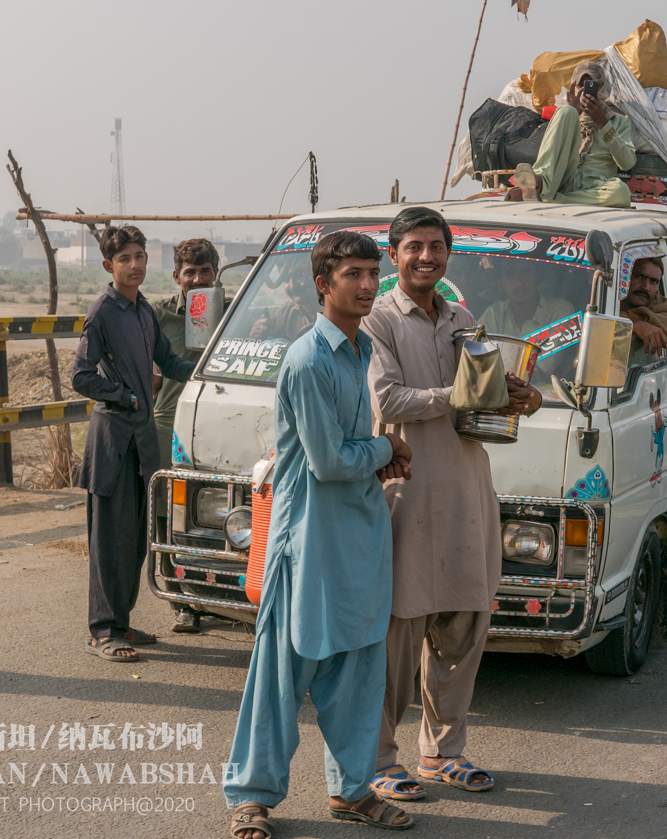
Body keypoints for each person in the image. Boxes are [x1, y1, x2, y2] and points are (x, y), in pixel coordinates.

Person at [223, 231, 415, 838]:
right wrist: (387, 447)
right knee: (283, 678)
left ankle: (353, 792)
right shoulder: (308, 359)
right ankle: (252, 796)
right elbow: (329, 461)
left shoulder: (358, 353)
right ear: (322, 285)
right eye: (353, 274)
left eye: (371, 274)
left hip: (359, 538)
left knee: (359, 672)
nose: (366, 286)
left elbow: (341, 456)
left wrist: (376, 456)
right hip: (308, 545)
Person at [362, 207, 542, 802]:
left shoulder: (463, 319)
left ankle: (443, 752)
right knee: (399, 632)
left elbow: (478, 412)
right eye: (414, 246)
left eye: (436, 247)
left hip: (467, 488)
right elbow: (389, 397)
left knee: (465, 623)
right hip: (405, 490)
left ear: (448, 254)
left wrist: (516, 399)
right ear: (394, 255)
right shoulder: (377, 320)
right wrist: (464, 391)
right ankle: (380, 758)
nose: (426, 257)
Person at [71, 225, 197, 662]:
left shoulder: (142, 309)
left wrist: (209, 370)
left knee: (135, 537)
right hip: (112, 441)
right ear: (109, 266)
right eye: (125, 259)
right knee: (109, 537)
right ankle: (103, 631)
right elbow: (80, 375)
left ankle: (120, 621)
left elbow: (171, 360)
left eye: (140, 256)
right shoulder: (102, 311)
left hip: (141, 442)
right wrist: (122, 394)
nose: (135, 265)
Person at [154, 238, 218, 633]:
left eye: (205, 271)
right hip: (169, 421)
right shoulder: (159, 314)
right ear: (177, 275)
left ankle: (220, 593)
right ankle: (182, 600)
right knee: (168, 513)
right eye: (189, 272)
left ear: (216, 272)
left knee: (212, 512)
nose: (197, 279)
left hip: (216, 420)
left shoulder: (232, 311)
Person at [507, 62, 635, 207]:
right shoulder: (567, 118)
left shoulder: (618, 122)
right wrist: (574, 113)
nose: (587, 91)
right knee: (565, 111)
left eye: (593, 86)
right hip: (565, 179)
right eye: (582, 85)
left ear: (602, 87)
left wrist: (603, 123)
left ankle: (554, 199)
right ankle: (540, 183)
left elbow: (627, 163)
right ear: (574, 88)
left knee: (621, 192)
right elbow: (555, 152)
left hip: (596, 186)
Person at [479, 258, 573, 337]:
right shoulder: (493, 315)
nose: (519, 283)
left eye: (526, 273)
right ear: (501, 283)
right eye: (510, 275)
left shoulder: (560, 313)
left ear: (538, 278)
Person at [619, 256, 667, 358]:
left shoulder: (657, 303)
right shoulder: (601, 295)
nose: (646, 287)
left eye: (653, 281)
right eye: (638, 277)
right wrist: (631, 324)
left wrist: (638, 320)